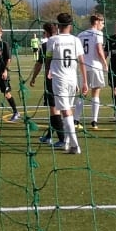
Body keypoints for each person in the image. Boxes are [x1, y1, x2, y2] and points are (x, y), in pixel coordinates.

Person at [44, 12, 85, 154]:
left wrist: (48, 71)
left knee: (65, 111)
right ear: (70, 25)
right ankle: (67, 143)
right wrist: (84, 82)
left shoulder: (53, 40)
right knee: (68, 110)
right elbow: (82, 61)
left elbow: (48, 58)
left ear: (58, 25)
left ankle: (75, 145)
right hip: (72, 79)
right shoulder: (76, 40)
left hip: (60, 79)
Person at [78, 13, 108, 130]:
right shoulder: (98, 33)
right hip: (95, 66)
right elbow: (99, 50)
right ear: (96, 22)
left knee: (82, 93)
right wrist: (105, 63)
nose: (103, 25)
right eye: (102, 22)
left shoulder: (81, 34)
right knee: (95, 93)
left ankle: (76, 119)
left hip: (84, 67)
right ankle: (94, 121)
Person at [0, 22, 18, 122]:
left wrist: (5, 71)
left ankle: (15, 112)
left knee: (6, 94)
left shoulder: (4, 44)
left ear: (1, 33)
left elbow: (8, 59)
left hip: (2, 72)